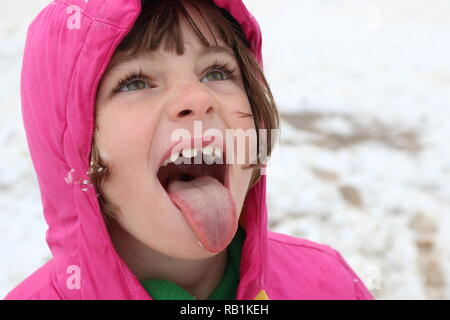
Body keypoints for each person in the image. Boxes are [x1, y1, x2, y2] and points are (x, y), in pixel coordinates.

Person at [4, 0, 374, 300]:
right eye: (135, 81)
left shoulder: (328, 284)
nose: (199, 98)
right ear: (68, 144)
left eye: (216, 72)